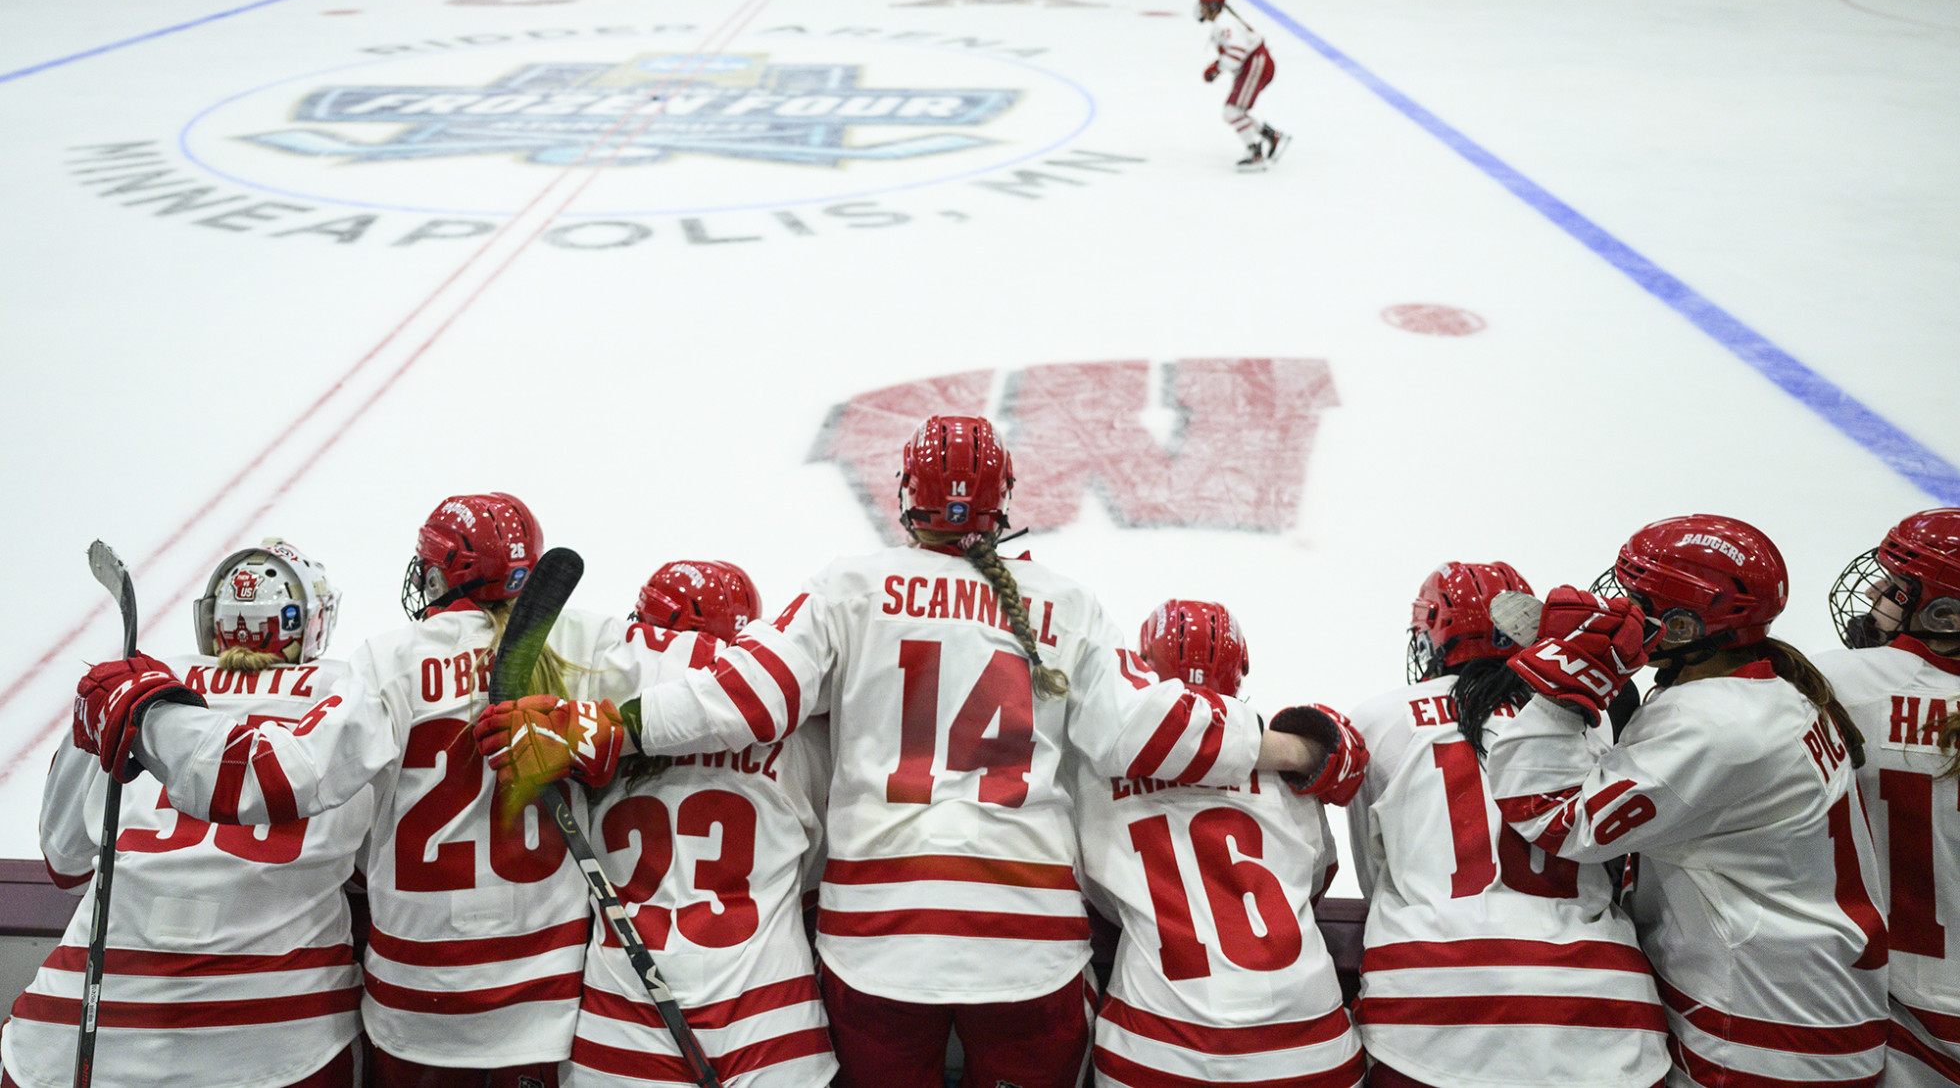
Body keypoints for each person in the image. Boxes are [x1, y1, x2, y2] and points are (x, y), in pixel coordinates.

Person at [475, 415, 1357, 1088]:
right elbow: (1150, 731)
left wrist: (611, 726)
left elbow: (747, 699)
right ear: (1005, 501)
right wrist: (1289, 750)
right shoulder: (1065, 604)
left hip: (878, 947)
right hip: (1030, 952)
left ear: (906, 496)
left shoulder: (851, 587)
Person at [72, 494, 639, 1088]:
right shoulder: (595, 643)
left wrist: (153, 719)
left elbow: (282, 780)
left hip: (420, 1006)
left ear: (440, 573)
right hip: (550, 1002)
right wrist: (619, 733)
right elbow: (715, 698)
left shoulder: (391, 659)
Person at [1486, 516, 1890, 1088]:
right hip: (1810, 1004)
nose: (1619, 607)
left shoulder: (1711, 726)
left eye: (1635, 598)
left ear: (1678, 626)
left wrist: (1562, 693)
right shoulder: (1767, 688)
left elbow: (1555, 818)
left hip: (1762, 1028)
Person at [11, 542, 369, 1088]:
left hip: (70, 1035)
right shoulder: (352, 692)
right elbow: (378, 872)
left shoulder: (135, 684)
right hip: (275, 1037)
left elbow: (65, 864)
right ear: (311, 622)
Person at [1345, 563, 1669, 1088]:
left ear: (1432, 638)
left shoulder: (1378, 718)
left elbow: (1376, 873)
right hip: (1603, 1013)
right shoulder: (1593, 715)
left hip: (1432, 1014)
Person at [562, 560, 837, 1087]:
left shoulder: (588, 725)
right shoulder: (802, 736)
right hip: (775, 1031)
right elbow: (816, 881)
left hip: (619, 1038)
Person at [1075, 600, 1366, 1088]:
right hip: (1312, 1056)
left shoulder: (1096, 769)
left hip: (1156, 1052)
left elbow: (1100, 896)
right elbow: (1316, 882)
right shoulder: (1290, 768)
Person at [1815, 509, 1960, 1082]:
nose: (1877, 593)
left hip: (1880, 1004)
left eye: (1895, 587)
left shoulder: (1835, 684)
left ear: (1942, 613)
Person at [1197, 0, 1289, 173]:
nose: (1201, 9)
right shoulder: (1223, 21)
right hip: (1255, 64)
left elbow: (1237, 53)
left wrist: (1216, 68)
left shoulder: (1225, 23)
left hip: (1255, 64)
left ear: (1214, 6)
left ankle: (1255, 153)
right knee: (1234, 111)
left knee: (1232, 111)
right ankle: (1272, 136)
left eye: (1204, 5)